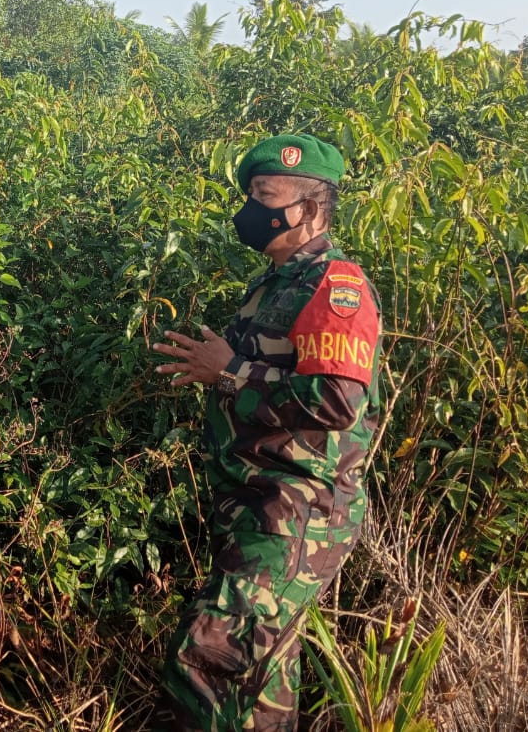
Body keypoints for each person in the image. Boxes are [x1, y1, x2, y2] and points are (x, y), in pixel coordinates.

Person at [151, 133, 382, 732]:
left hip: (299, 508)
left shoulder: (335, 286)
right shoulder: (270, 287)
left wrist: (229, 373)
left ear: (308, 208)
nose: (250, 209)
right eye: (250, 193)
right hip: (255, 505)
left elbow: (336, 402)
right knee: (261, 685)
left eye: (264, 194)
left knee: (202, 657)